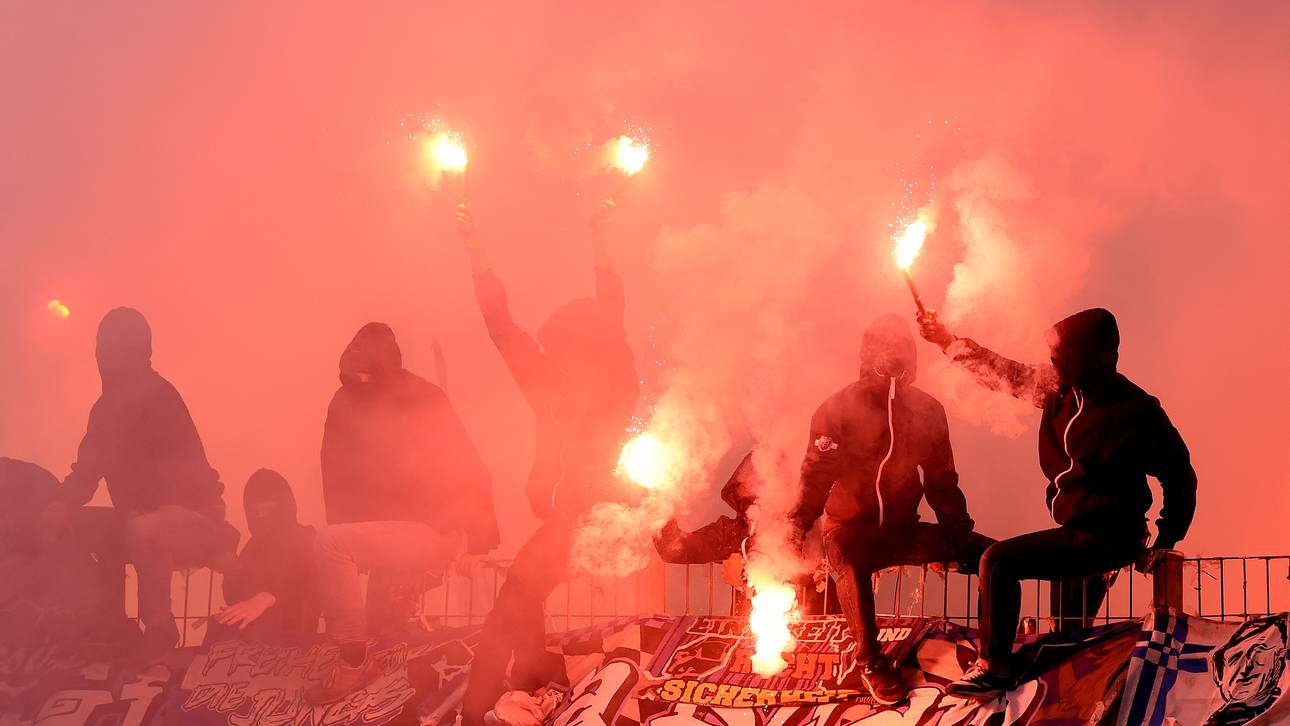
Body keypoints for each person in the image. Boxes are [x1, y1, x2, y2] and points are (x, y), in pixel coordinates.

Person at [916, 307, 1196, 699]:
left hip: (1110, 536)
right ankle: (1063, 700)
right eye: (1054, 354)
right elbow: (1001, 371)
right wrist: (945, 340)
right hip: (1073, 532)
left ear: (1100, 355)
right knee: (1066, 633)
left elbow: (1180, 477)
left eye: (1064, 355)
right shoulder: (1057, 387)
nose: (1053, 361)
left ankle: (995, 669)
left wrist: (1165, 540)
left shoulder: (1136, 410)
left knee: (997, 561)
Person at [456, 199, 640, 726]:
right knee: (517, 599)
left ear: (582, 347)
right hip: (564, 518)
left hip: (600, 514)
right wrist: (477, 253)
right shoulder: (547, 385)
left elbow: (612, 311)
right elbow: (501, 328)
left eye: (560, 347)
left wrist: (602, 241)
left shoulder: (615, 383)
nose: (549, 355)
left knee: (516, 596)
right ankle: (531, 688)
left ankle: (503, 700)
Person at [789, 314, 993, 705]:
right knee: (848, 558)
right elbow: (814, 478)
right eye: (884, 349)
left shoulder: (927, 410)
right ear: (867, 354)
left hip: (903, 528)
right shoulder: (836, 409)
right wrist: (795, 529)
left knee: (993, 556)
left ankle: (993, 657)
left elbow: (941, 477)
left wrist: (957, 529)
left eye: (902, 349)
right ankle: (871, 663)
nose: (895, 357)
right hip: (850, 530)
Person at [307, 322, 499, 703]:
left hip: (432, 528)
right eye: (353, 375)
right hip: (384, 533)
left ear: (388, 369)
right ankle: (382, 691)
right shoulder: (343, 403)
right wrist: (351, 534)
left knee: (330, 544)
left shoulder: (423, 398)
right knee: (382, 625)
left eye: (369, 374)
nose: (360, 381)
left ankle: (353, 662)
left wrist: (480, 540)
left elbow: (468, 466)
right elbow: (335, 471)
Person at [60, 308, 238, 655]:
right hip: (135, 519)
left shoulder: (161, 397)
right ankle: (105, 621)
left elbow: (186, 476)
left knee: (144, 528)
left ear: (135, 350)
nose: (101, 354)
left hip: (195, 520)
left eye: (110, 345)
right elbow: (85, 474)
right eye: (99, 345)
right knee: (67, 524)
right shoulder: (104, 410)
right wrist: (57, 505)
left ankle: (159, 629)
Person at [654, 452, 840, 616]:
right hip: (751, 637)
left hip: (813, 630)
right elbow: (675, 549)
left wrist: (744, 575)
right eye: (753, 481)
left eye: (766, 480)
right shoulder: (734, 530)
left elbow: (800, 566)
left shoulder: (802, 523)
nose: (756, 488)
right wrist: (660, 506)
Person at [212, 468, 319, 642]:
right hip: (254, 641)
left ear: (285, 508)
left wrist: (269, 597)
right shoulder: (254, 546)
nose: (260, 516)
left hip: (296, 641)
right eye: (253, 511)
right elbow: (235, 597)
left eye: (268, 509)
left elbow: (312, 582)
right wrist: (232, 568)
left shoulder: (308, 538)